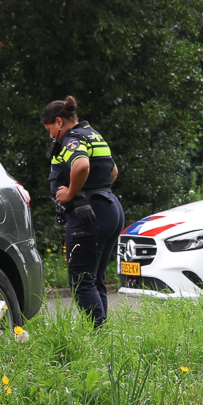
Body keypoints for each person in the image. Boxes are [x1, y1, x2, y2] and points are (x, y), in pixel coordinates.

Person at [43, 96, 123, 327]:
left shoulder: (72, 139)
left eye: (49, 129)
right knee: (94, 280)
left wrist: (70, 193)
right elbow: (113, 172)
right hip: (110, 207)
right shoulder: (94, 134)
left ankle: (97, 335)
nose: (50, 136)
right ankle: (102, 334)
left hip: (89, 213)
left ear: (59, 121)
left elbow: (81, 165)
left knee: (80, 282)